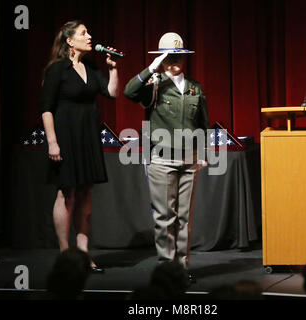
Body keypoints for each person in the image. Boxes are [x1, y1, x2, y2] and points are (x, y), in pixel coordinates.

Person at [124, 32, 209, 285]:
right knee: (164, 218)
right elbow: (129, 92)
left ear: (184, 58)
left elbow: (202, 124)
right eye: (168, 57)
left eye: (178, 56)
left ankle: (181, 269)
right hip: (162, 158)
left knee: (184, 218)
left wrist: (202, 154)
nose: (173, 61)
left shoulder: (195, 87)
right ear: (161, 59)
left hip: (189, 158)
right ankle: (165, 269)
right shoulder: (154, 83)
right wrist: (151, 67)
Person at [40, 20, 119, 273]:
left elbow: (111, 93)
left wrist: (113, 69)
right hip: (66, 138)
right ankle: (66, 254)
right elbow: (46, 109)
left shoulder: (92, 67)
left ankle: (84, 254)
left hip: (88, 139)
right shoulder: (57, 70)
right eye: (84, 33)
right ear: (69, 41)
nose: (90, 36)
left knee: (86, 193)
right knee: (67, 194)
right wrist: (52, 142)